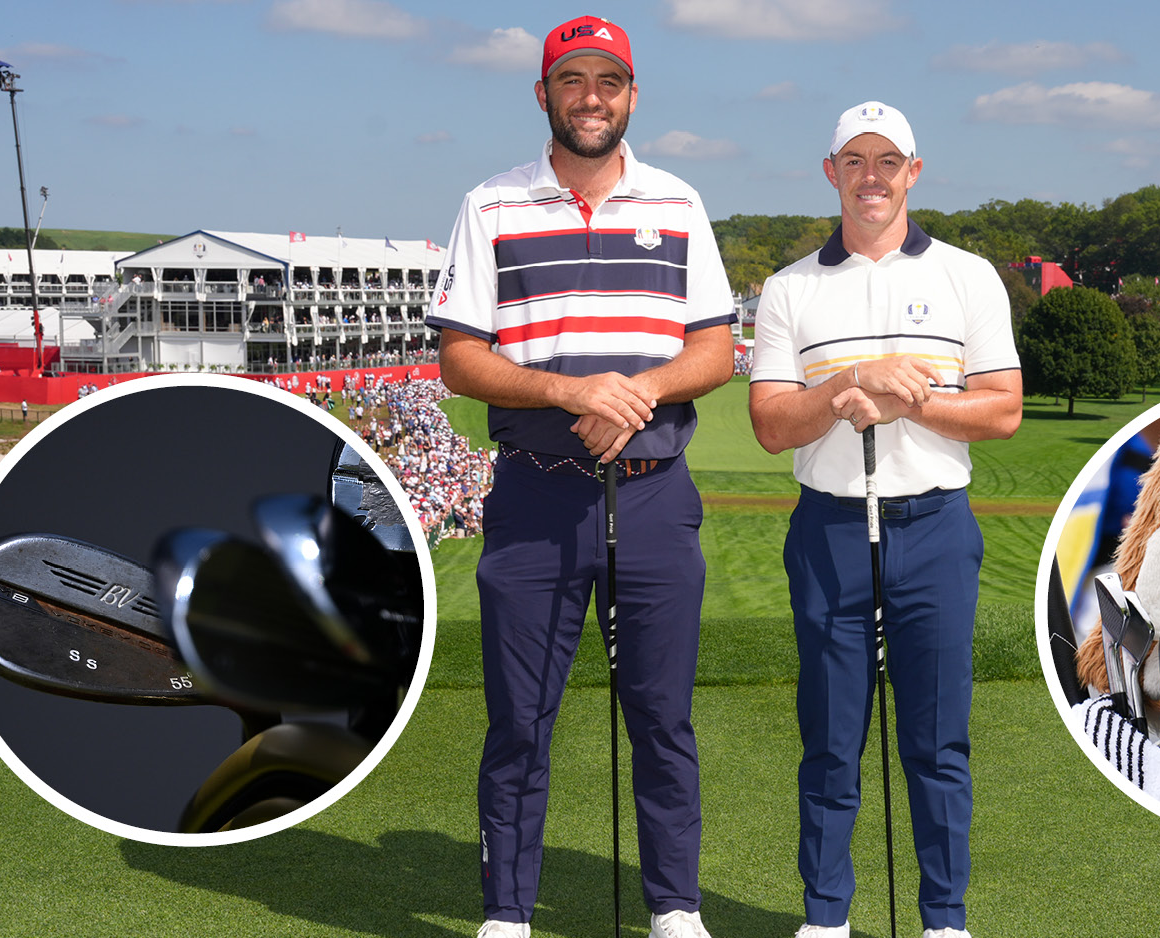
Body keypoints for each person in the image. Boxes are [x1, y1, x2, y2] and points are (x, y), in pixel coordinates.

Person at [425, 15, 735, 938]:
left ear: (631, 96)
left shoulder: (677, 202)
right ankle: (507, 912)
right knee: (520, 718)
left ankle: (674, 906)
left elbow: (714, 349)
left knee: (661, 718)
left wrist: (636, 394)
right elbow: (460, 359)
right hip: (535, 492)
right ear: (543, 94)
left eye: (608, 81)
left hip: (653, 491)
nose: (590, 98)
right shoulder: (490, 204)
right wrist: (572, 390)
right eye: (572, 80)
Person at [747, 102, 1022, 938]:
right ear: (831, 172)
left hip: (934, 527)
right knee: (831, 739)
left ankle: (944, 919)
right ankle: (825, 916)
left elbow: (1002, 410)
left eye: (887, 161)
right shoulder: (790, 288)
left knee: (936, 741)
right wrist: (847, 384)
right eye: (855, 161)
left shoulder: (967, 275)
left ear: (913, 171)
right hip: (828, 530)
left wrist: (913, 400)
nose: (872, 176)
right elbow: (771, 425)